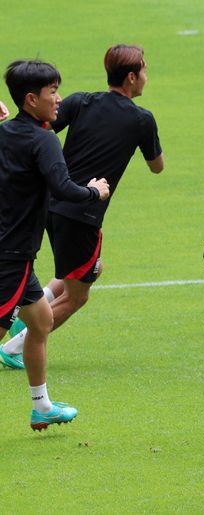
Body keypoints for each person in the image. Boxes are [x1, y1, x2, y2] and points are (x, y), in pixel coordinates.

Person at [1, 45, 164, 368]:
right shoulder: (142, 119)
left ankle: (30, 311)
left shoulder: (79, 101)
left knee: (84, 269)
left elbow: (40, 130)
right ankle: (15, 346)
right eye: (144, 70)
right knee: (78, 295)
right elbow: (156, 166)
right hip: (83, 210)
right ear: (131, 77)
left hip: (51, 207)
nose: (147, 76)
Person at [0, 59, 110, 429]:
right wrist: (94, 192)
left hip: (19, 255)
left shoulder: (5, 132)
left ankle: (41, 406)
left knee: (42, 321)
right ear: (31, 99)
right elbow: (64, 189)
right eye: (52, 92)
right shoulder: (43, 139)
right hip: (10, 254)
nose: (59, 99)